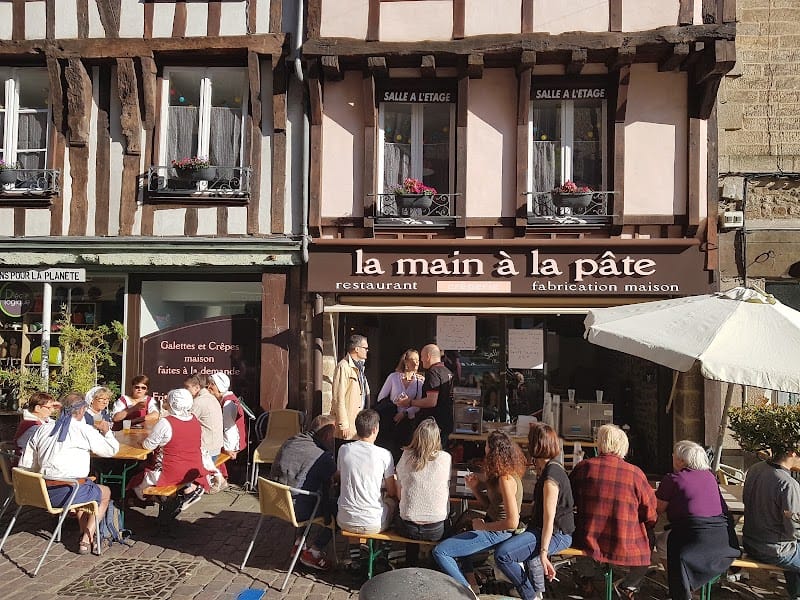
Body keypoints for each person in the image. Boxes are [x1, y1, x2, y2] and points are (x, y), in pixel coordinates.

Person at [19, 392, 118, 555]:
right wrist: (107, 432)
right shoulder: (84, 430)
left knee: (83, 483)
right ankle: (86, 538)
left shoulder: (42, 429)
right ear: (82, 410)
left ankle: (83, 533)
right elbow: (111, 450)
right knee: (104, 492)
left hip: (41, 492)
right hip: (69, 493)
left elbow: (27, 464)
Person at [433, 431, 526, 598]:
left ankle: (467, 592)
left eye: (487, 446)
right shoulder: (502, 474)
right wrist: (475, 488)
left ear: (493, 451)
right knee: (458, 530)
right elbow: (491, 506)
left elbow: (512, 522)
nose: (484, 449)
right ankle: (472, 582)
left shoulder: (505, 479)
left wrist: (484, 526)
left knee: (441, 552)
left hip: (498, 532)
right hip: (493, 526)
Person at [569, 424, 658, 600]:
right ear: (623, 447)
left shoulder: (583, 468)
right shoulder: (636, 474)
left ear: (600, 444)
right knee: (650, 539)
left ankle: (586, 578)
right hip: (624, 542)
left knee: (580, 532)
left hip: (589, 538)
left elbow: (569, 502)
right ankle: (629, 585)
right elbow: (650, 514)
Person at [494, 423, 574, 600]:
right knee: (511, 547)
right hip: (546, 529)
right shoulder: (552, 467)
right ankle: (534, 590)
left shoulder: (551, 477)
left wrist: (543, 553)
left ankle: (530, 595)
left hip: (557, 534)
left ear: (535, 446)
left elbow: (549, 519)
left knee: (503, 555)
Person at [656, 440, 739, 600]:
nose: (672, 457)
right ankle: (689, 585)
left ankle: (682, 586)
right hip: (722, 541)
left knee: (661, 542)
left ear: (681, 460)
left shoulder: (673, 479)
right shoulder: (710, 477)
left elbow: (658, 509)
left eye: (674, 455)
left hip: (693, 540)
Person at [270, 414, 338, 571]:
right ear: (327, 435)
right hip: (296, 508)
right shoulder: (322, 456)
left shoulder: (291, 441)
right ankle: (314, 551)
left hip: (275, 501)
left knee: (303, 488)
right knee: (339, 508)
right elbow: (336, 478)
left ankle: (299, 543)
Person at [128, 388, 212, 514]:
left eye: (168, 399)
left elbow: (148, 445)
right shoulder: (194, 419)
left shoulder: (165, 422)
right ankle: (167, 503)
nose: (165, 401)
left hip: (171, 472)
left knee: (137, 483)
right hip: (192, 468)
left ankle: (160, 502)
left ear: (173, 403)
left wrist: (141, 442)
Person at [742, 445, 800, 600]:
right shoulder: (788, 484)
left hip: (750, 542)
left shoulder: (755, 469)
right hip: (774, 550)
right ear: (792, 453)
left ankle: (795, 594)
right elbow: (794, 530)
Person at [394, 417, 451, 566]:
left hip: (407, 527)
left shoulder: (406, 456)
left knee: (404, 508)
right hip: (435, 529)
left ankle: (410, 562)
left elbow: (399, 491)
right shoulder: (445, 458)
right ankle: (433, 563)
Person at [337, 409, 397, 534]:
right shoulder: (385, 455)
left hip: (345, 520)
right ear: (375, 429)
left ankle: (356, 547)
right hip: (373, 523)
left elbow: (341, 476)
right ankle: (385, 544)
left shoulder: (344, 450)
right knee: (392, 502)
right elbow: (392, 491)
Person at [396, 343, 455, 446]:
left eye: (422, 357)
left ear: (428, 356)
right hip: (447, 422)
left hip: (434, 425)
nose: (421, 360)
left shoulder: (433, 372)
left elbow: (431, 401)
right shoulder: (447, 372)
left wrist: (409, 402)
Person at [375, 349, 425, 461]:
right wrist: (396, 402)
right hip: (391, 420)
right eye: (413, 359)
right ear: (406, 362)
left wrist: (405, 413)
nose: (417, 362)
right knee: (389, 451)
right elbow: (381, 398)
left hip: (408, 422)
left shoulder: (419, 381)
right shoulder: (393, 377)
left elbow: (419, 404)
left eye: (418, 360)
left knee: (405, 453)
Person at [184, 373, 225, 492]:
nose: (185, 391)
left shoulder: (198, 402)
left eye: (187, 387)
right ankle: (219, 478)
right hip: (215, 446)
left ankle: (192, 487)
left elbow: (184, 422)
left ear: (197, 387)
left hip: (207, 449)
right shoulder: (211, 398)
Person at [207, 372, 246, 485]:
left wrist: (228, 448)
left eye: (212, 384)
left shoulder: (228, 402)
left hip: (233, 443)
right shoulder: (225, 399)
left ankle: (219, 479)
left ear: (219, 386)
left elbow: (229, 428)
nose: (209, 387)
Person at [331, 334, 370, 444]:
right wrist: (343, 424)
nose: (367, 350)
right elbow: (338, 397)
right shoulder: (344, 366)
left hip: (359, 424)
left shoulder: (359, 367)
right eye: (365, 348)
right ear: (357, 349)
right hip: (348, 427)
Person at [13, 391, 58, 460]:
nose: (52, 410)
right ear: (37, 408)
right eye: (49, 408)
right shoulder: (32, 426)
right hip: (28, 463)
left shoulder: (44, 421)